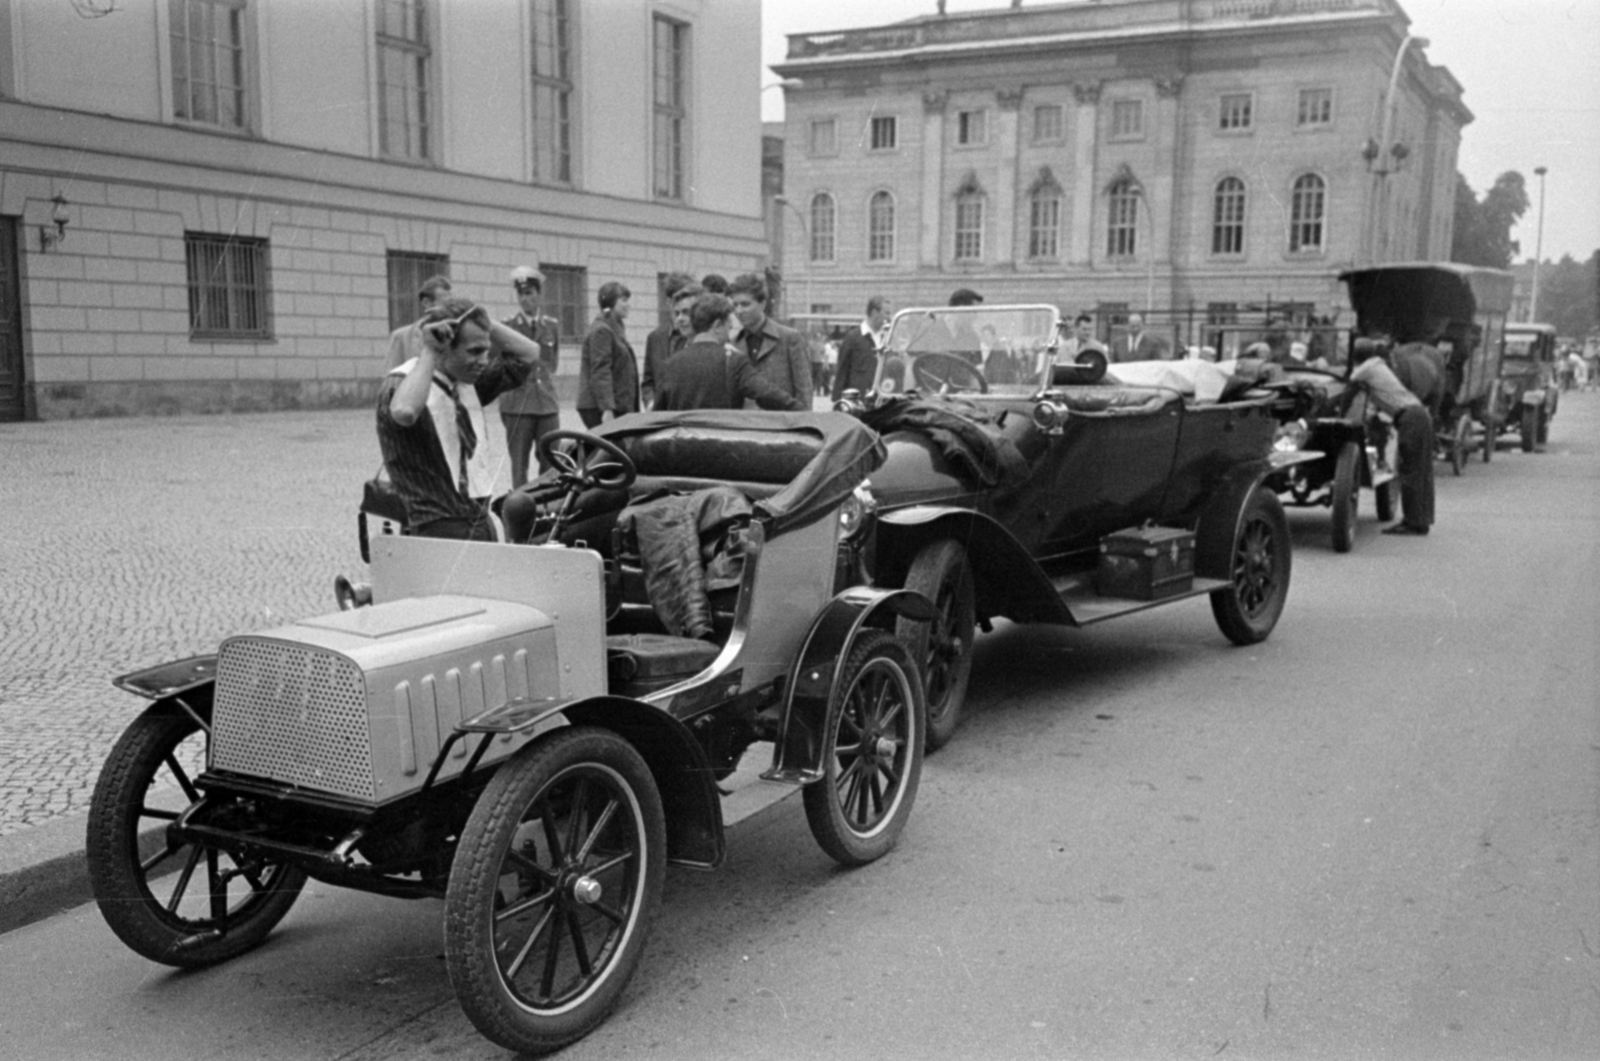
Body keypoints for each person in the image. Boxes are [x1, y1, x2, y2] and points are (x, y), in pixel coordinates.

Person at [376, 299, 543, 541]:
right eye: (474, 351)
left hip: (477, 523)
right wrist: (430, 349)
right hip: (432, 529)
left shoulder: (466, 383)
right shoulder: (403, 383)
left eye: (486, 351)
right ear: (444, 347)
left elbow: (529, 353)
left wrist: (474, 317)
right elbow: (404, 411)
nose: (484, 361)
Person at [654, 294, 805, 412]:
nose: (729, 334)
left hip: (681, 447)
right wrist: (800, 410)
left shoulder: (670, 364)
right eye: (728, 326)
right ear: (717, 325)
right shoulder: (734, 361)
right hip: (720, 446)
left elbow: (657, 412)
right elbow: (767, 394)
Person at [1348, 338, 1434, 537]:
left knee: (1410, 471)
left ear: (1356, 356)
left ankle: (1412, 523)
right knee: (1421, 472)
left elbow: (1348, 387)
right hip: (1418, 415)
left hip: (1410, 418)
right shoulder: (1378, 365)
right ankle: (1421, 522)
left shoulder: (1365, 369)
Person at [496, 266, 561, 488]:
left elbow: (552, 363)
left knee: (551, 461)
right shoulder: (508, 326)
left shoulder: (551, 326)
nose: (525, 299)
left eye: (529, 293)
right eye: (521, 294)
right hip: (518, 405)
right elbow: (498, 365)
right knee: (519, 466)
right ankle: (520, 513)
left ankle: (547, 506)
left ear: (539, 295)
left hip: (546, 404)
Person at [728, 272, 811, 405]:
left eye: (745, 304)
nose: (739, 311)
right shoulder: (734, 343)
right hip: (744, 422)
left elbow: (804, 390)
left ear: (762, 304)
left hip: (782, 422)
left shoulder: (789, 338)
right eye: (735, 306)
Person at [576, 281, 639, 428]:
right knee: (607, 449)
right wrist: (607, 409)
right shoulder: (602, 330)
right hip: (600, 408)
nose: (628, 305)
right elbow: (601, 371)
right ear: (610, 303)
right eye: (623, 300)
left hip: (612, 405)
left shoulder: (613, 328)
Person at [640, 272, 696, 409]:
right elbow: (648, 382)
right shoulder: (655, 338)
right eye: (678, 299)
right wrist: (651, 403)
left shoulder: (700, 335)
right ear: (669, 302)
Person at [385, 274, 453, 370]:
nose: (450, 310)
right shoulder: (401, 337)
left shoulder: (456, 332)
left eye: (451, 304)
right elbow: (392, 379)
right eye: (445, 304)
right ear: (426, 303)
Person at [833, 295, 892, 399]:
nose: (889, 318)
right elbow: (842, 372)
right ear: (874, 313)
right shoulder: (852, 338)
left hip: (883, 401)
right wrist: (838, 401)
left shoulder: (888, 339)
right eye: (886, 313)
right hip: (858, 402)